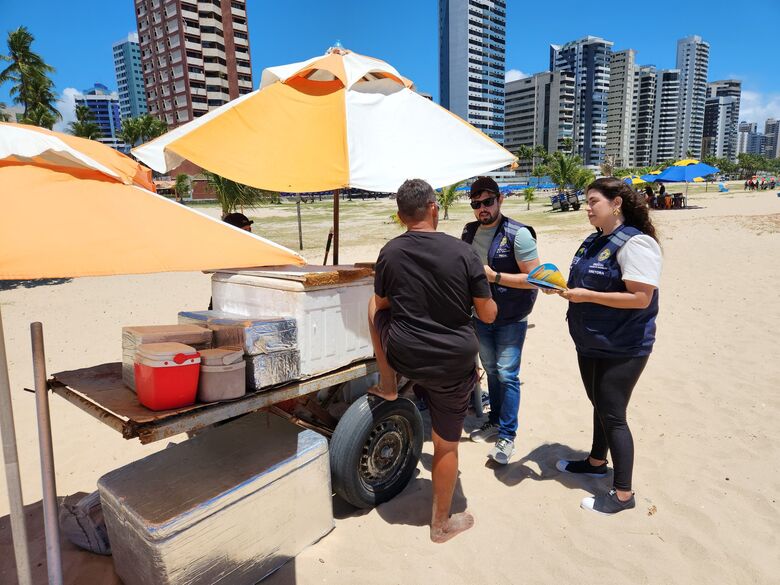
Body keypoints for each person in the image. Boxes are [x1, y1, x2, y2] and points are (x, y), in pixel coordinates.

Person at [368, 178, 497, 542]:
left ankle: (388, 383)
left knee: (372, 305)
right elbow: (487, 315)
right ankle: (440, 524)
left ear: (400, 216)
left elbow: (382, 306)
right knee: (445, 445)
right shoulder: (464, 253)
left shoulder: (390, 252)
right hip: (452, 364)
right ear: (433, 208)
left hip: (406, 354)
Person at [553, 177, 662, 515]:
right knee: (598, 404)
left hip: (624, 345)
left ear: (616, 203)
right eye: (587, 201)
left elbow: (640, 298)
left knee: (613, 414)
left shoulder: (636, 243)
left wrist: (588, 296)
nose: (587, 207)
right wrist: (559, 287)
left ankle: (623, 495)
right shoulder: (593, 240)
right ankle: (597, 461)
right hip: (590, 341)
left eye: (593, 201)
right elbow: (584, 282)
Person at [461, 176, 539, 464]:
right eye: (476, 204)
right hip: (480, 315)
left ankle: (507, 436)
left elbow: (535, 279)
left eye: (487, 202)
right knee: (492, 370)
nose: (482, 209)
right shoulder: (468, 233)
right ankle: (494, 421)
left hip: (511, 316)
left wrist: (493, 275)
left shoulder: (519, 234)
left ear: (500, 199)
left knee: (507, 374)